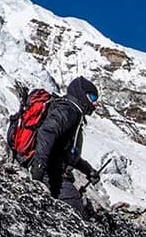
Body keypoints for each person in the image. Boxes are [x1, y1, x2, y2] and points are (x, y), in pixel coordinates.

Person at [26, 77, 102, 217]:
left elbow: (67, 152)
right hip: (50, 173)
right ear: (81, 94)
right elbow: (47, 132)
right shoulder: (69, 110)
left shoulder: (72, 111)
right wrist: (38, 169)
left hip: (51, 171)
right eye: (92, 97)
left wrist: (88, 170)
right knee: (75, 210)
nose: (95, 103)